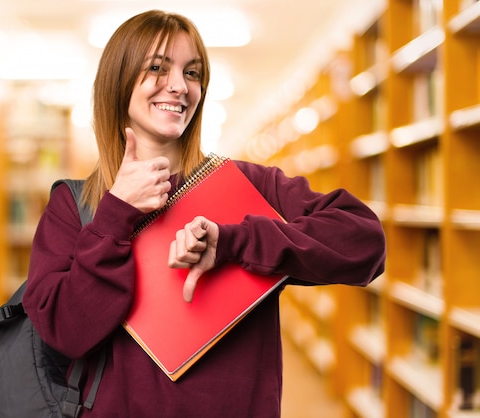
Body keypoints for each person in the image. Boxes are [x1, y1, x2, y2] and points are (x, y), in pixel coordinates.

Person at [23, 9, 386, 417]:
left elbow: (365, 243)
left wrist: (235, 241)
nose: (179, 86)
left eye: (192, 73)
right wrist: (115, 215)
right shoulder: (76, 208)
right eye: (158, 68)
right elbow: (65, 335)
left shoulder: (247, 186)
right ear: (118, 81)